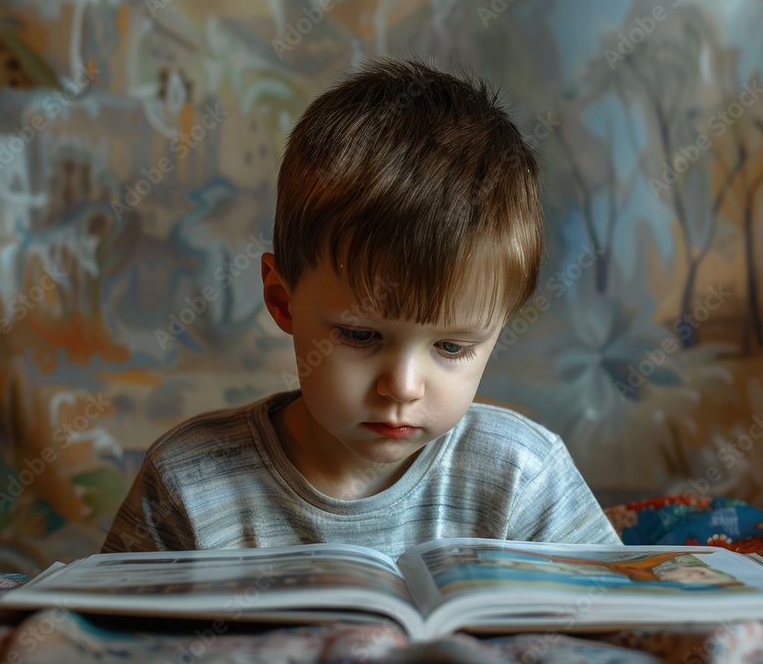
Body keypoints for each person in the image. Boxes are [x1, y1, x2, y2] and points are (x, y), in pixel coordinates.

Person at [101, 56, 621, 558]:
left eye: (452, 346)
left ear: (497, 330)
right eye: (360, 336)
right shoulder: (188, 481)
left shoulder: (523, 475)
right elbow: (102, 637)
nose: (402, 387)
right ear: (282, 299)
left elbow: (617, 619)